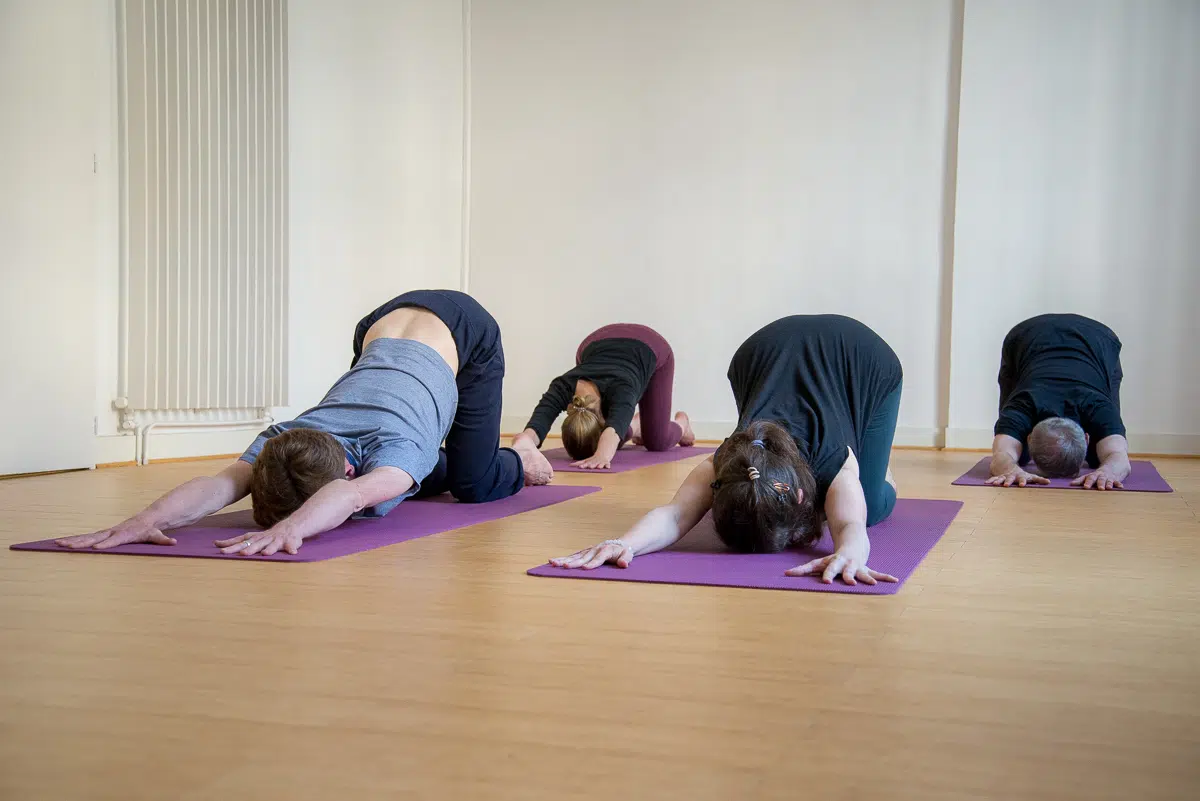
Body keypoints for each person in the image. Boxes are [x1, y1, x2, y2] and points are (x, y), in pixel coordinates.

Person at [56, 290, 554, 556]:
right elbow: (221, 483)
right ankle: (454, 461)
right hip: (381, 323)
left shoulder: (393, 446)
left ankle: (520, 457)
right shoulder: (290, 438)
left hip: (467, 331)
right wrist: (143, 522)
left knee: (473, 481)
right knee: (410, 481)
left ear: (350, 471)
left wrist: (293, 527)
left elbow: (352, 497)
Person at [548, 315, 903, 585]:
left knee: (870, 505)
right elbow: (674, 515)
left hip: (863, 355)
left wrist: (851, 551)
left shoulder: (831, 463)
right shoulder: (732, 460)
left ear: (799, 495)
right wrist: (622, 543)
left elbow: (850, 523)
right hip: (759, 353)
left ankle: (878, 467)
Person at [511, 323, 694, 470]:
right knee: (615, 425)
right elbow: (535, 428)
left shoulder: (622, 389)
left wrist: (602, 456)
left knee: (657, 441)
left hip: (652, 346)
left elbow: (611, 432)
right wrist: (522, 446)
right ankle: (635, 424)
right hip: (595, 343)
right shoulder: (562, 386)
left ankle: (682, 423)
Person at [986, 313, 1129, 490]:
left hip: (1099, 340)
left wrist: (1109, 472)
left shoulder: (1099, 406)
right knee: (1019, 456)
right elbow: (1001, 456)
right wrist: (1010, 469)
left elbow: (1119, 457)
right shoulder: (1022, 404)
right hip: (1025, 338)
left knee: (1097, 457)